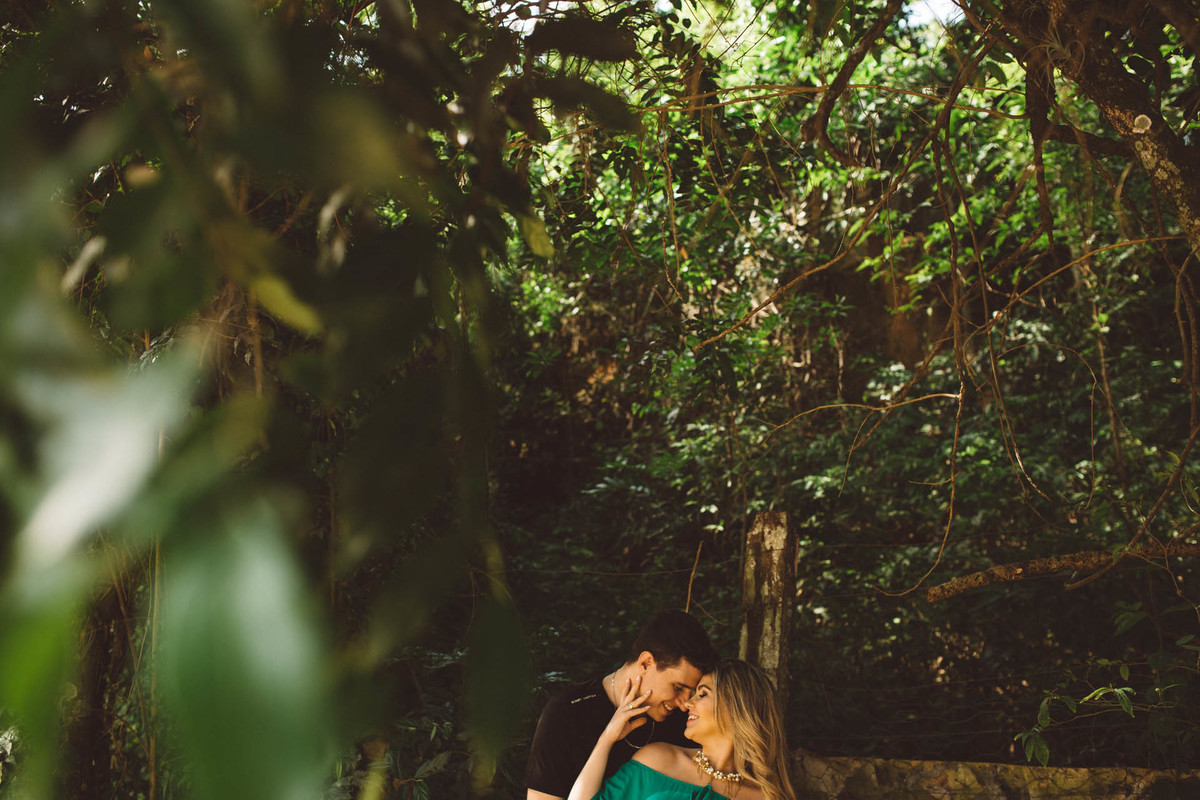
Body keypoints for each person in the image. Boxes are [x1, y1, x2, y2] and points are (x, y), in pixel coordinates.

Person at [525, 610, 719, 800]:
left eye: (691, 692)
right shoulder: (568, 713)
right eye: (678, 687)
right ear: (645, 663)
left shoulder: (685, 722)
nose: (684, 704)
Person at [568, 659, 796, 800]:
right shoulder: (659, 759)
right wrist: (607, 738)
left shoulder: (767, 796)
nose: (687, 703)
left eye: (702, 694)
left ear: (736, 707)